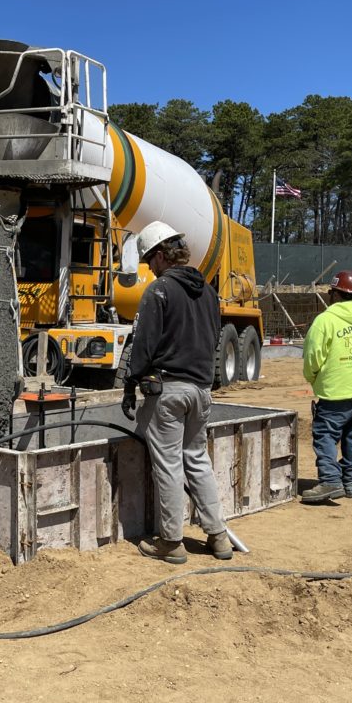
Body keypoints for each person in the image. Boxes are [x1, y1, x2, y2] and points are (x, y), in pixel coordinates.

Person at [121, 220, 233, 564]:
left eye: (149, 261)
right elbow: (213, 339)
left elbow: (144, 344)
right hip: (201, 391)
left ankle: (170, 542)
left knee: (169, 466)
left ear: (159, 255)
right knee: (197, 460)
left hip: (168, 391)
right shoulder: (208, 292)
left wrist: (130, 382)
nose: (149, 268)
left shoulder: (160, 291)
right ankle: (218, 537)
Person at [300, 270, 352, 503]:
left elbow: (312, 357)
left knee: (325, 434)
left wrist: (314, 378)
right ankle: (351, 483)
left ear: (335, 294)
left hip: (335, 391)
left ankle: (330, 481)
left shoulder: (325, 321)